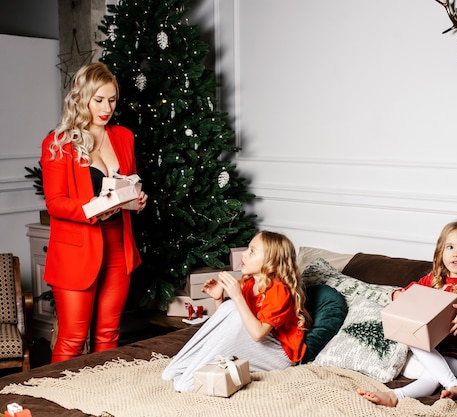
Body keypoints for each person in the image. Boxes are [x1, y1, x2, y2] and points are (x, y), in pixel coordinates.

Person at [41, 62, 148, 362]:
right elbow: (55, 202)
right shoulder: (59, 144)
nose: (107, 108)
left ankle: (101, 400)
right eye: (99, 100)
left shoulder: (123, 136)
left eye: (112, 100)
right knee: (73, 340)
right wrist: (93, 209)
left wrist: (137, 200)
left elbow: (129, 183)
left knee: (108, 335)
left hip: (118, 246)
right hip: (77, 250)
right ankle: (57, 403)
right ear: (81, 98)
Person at [358, 220, 457, 406]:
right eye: (450, 247)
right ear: (441, 251)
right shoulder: (435, 278)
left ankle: (396, 396)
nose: (456, 253)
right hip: (436, 344)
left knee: (432, 378)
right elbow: (409, 291)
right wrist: (398, 294)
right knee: (412, 336)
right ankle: (452, 385)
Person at [162, 230, 312, 392]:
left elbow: (257, 334)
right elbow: (227, 328)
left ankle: (190, 382)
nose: (244, 254)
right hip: (256, 342)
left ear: (270, 261)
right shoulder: (248, 283)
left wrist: (237, 297)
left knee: (233, 307)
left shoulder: (279, 291)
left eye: (252, 251)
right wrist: (217, 299)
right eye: (247, 248)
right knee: (169, 373)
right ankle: (187, 370)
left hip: (278, 353)